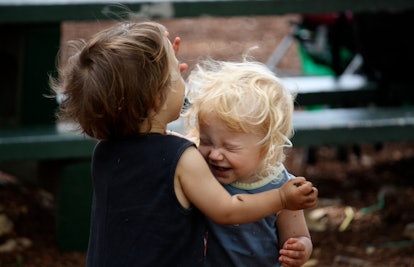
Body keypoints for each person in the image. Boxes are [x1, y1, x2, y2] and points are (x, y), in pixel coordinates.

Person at [49, 20, 318, 267]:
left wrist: (158, 76)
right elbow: (227, 210)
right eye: (176, 77)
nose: (183, 77)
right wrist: (282, 198)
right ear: (157, 97)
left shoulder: (106, 150)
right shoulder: (183, 159)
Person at [184, 59, 314, 267]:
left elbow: (300, 235)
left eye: (230, 148)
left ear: (267, 146)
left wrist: (300, 248)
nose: (215, 155)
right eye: (206, 141)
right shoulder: (200, 172)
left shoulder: (283, 187)